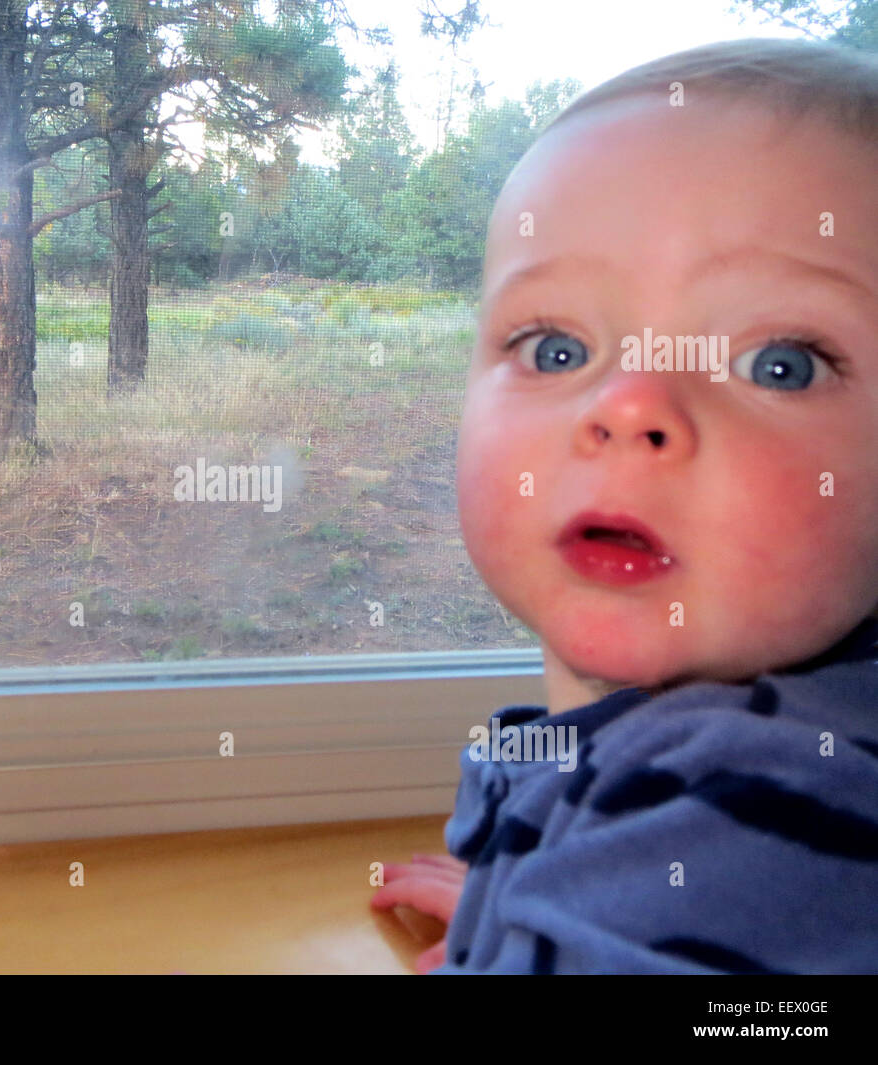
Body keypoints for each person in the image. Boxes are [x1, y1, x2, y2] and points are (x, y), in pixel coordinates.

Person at [371, 37, 878, 974]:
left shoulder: (750, 805)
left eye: (781, 365)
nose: (630, 407)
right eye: (556, 348)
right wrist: (533, 906)